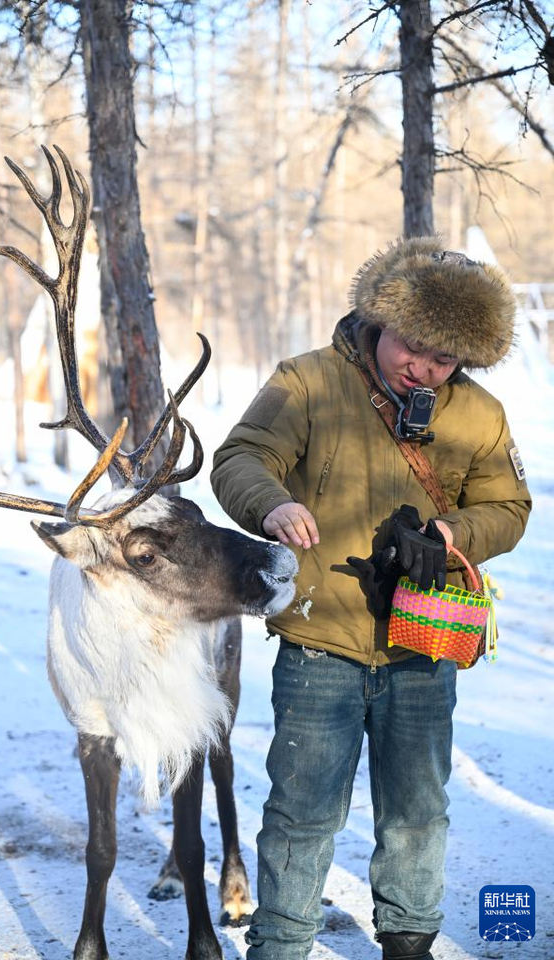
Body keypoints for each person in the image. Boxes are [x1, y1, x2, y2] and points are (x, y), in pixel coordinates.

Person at [210, 237, 531, 960]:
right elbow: (242, 456)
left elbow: (509, 506)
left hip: (426, 642)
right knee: (301, 812)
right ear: (381, 317)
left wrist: (453, 533)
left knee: (418, 812)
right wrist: (269, 505)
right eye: (413, 345)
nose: (424, 367)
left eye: (445, 359)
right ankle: (281, 945)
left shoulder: (479, 415)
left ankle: (408, 943)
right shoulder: (309, 381)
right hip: (320, 641)